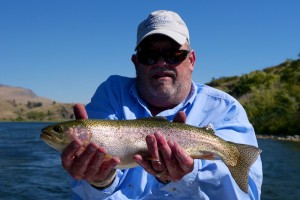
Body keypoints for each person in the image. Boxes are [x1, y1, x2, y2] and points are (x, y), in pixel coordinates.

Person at [61, 10, 263, 199]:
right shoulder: (111, 94)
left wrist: (185, 176)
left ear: (191, 60)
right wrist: (100, 181)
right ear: (136, 62)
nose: (161, 63)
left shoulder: (225, 110)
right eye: (149, 55)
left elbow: (244, 195)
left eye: (173, 54)